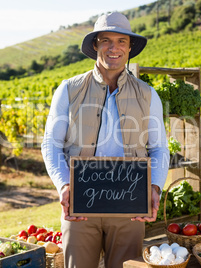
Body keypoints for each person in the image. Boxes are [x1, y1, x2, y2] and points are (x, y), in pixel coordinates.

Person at [41, 12, 169, 268]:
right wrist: (64, 185)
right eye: (106, 40)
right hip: (80, 204)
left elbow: (158, 148)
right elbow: (51, 144)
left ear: (130, 48)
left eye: (122, 41)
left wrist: (154, 187)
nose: (114, 47)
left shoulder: (148, 94)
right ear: (95, 45)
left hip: (130, 206)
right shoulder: (68, 89)